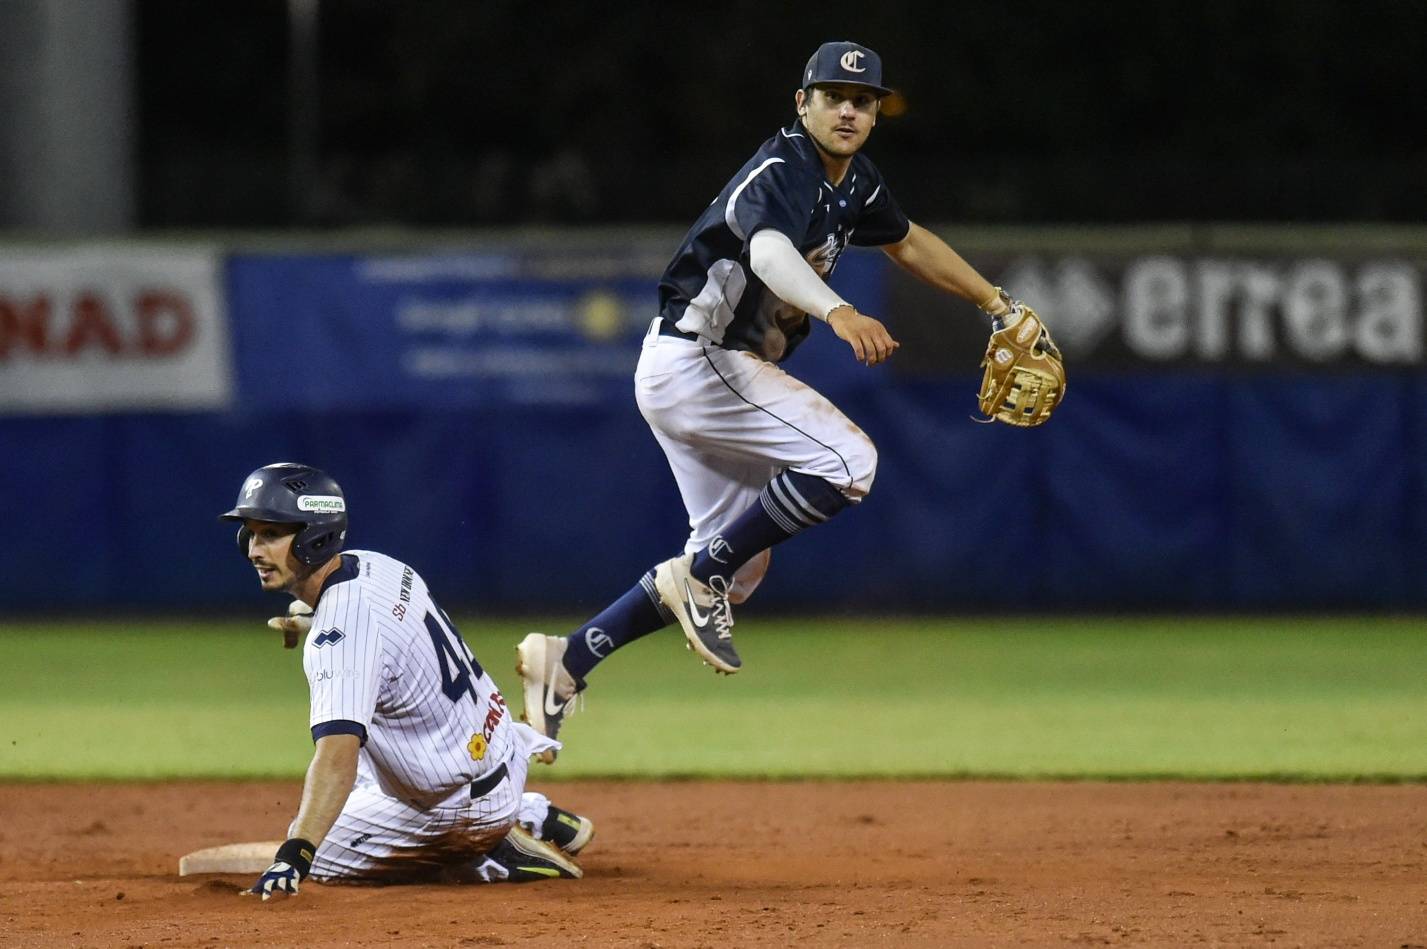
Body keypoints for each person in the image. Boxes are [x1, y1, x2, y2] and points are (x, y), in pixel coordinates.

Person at [516, 41, 1053, 762]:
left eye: (861, 101)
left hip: (695, 371)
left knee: (732, 571)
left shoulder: (854, 181)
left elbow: (905, 240)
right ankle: (695, 575)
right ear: (801, 104)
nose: (848, 109)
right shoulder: (782, 170)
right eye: (833, 95)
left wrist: (995, 302)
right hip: (700, 360)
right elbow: (769, 253)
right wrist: (839, 313)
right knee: (847, 459)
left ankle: (569, 660)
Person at [219, 461, 593, 898]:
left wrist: (295, 856)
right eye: (251, 533)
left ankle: (490, 855)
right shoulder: (375, 565)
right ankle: (533, 814)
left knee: (321, 848)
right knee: (366, 761)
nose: (254, 550)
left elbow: (336, 757)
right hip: (500, 754)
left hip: (459, 807)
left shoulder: (341, 634)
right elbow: (377, 629)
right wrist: (314, 619)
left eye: (271, 534)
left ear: (313, 536)